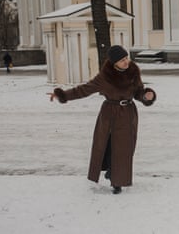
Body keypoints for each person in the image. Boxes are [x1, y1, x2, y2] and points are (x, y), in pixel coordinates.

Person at [48, 45, 156, 194]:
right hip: (109, 114)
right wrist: (63, 95)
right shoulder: (105, 77)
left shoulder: (133, 72)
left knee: (125, 149)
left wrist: (146, 96)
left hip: (128, 114)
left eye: (126, 58)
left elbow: (138, 92)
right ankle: (115, 181)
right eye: (122, 60)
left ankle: (115, 175)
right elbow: (83, 90)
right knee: (110, 146)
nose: (126, 62)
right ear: (114, 63)